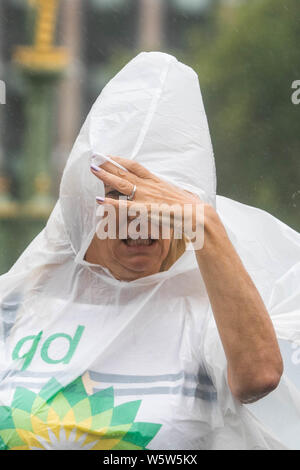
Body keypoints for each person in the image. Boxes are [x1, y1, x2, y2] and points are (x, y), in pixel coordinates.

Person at [0, 52, 299, 451]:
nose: (141, 219)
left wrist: (205, 225)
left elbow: (258, 376)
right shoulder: (21, 307)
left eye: (164, 204)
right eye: (119, 197)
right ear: (85, 208)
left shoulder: (207, 313)